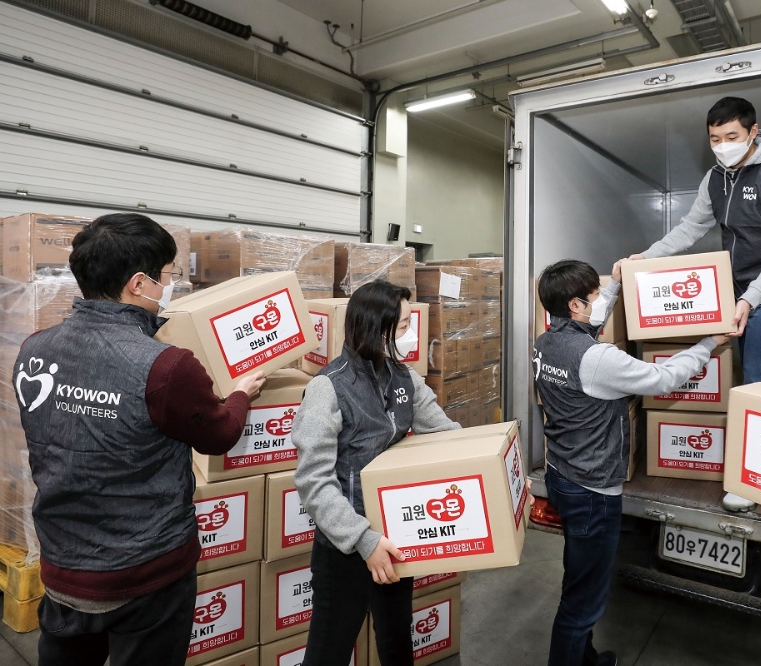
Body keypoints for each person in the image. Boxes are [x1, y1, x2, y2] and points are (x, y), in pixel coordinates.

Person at [12, 213, 265, 666]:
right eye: (168, 276)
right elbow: (220, 434)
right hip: (146, 574)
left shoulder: (35, 349)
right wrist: (243, 393)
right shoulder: (166, 366)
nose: (170, 287)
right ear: (139, 283)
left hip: (64, 564)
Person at [534, 259, 729, 666]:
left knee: (580, 580)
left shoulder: (547, 341)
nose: (595, 303)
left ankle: (584, 658)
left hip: (563, 473)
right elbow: (662, 379)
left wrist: (615, 286)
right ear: (574, 305)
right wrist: (709, 343)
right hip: (592, 489)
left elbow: (591, 322)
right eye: (590, 297)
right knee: (581, 603)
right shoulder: (597, 359)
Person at [627, 96, 761, 512]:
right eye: (715, 138)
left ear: (752, 131)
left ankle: (754, 481)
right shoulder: (715, 177)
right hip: (736, 287)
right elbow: (691, 227)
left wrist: (751, 299)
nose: (723, 144)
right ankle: (751, 462)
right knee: (742, 375)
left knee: (757, 383)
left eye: (731, 136)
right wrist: (648, 257)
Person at [292, 280, 462, 666]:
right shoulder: (329, 389)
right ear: (376, 329)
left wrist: (499, 471)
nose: (410, 334)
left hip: (397, 537)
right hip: (347, 546)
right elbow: (313, 482)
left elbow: (447, 434)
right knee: (328, 652)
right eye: (402, 326)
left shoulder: (404, 379)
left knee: (397, 642)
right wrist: (363, 540)